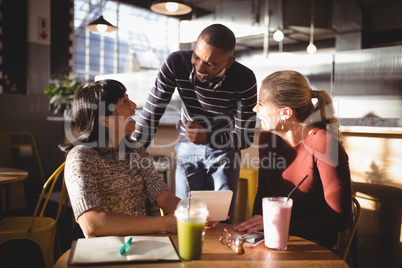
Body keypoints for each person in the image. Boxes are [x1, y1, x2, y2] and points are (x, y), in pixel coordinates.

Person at [133, 24, 257, 222]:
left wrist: (210, 138)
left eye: (210, 64)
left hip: (224, 153)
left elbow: (245, 137)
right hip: (186, 148)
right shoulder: (176, 62)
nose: (199, 68)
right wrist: (130, 153)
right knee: (185, 218)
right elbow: (152, 111)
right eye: (197, 57)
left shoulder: (244, 78)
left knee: (220, 220)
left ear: (229, 62)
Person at [234, 70, 352, 249]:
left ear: (285, 113)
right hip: (274, 241)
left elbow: (340, 219)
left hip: (314, 248)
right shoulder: (267, 138)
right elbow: (263, 192)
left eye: (260, 104)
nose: (254, 109)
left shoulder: (324, 144)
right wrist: (255, 232)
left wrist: (277, 224)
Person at [61, 79, 181, 237]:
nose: (133, 106)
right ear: (104, 119)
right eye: (124, 101)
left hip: (146, 242)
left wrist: (196, 212)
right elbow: (91, 224)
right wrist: (165, 224)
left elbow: (165, 198)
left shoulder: (136, 151)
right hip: (107, 250)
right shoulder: (81, 157)